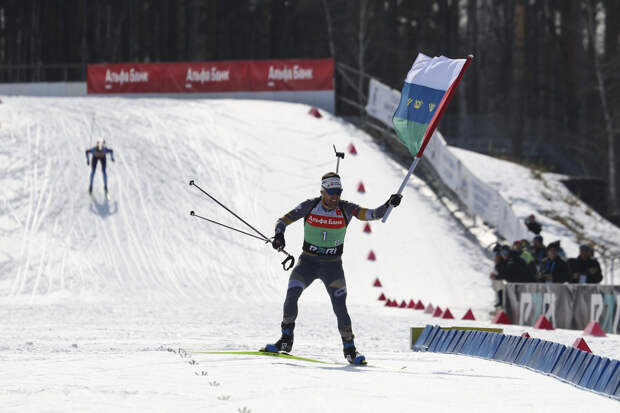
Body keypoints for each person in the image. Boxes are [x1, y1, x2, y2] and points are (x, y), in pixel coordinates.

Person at [263, 172, 402, 365]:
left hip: (333, 267)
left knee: (340, 307)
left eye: (338, 192)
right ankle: (286, 339)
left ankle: (350, 349)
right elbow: (282, 220)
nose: (335, 196)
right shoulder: (310, 205)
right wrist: (279, 235)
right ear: (322, 191)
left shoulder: (346, 208)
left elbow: (373, 214)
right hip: (307, 263)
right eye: (331, 192)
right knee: (292, 295)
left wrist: (389, 204)